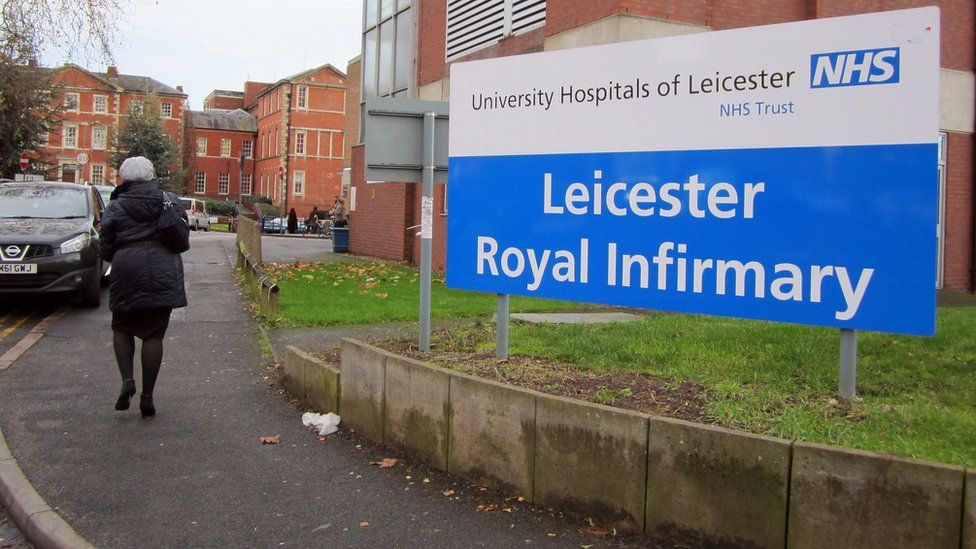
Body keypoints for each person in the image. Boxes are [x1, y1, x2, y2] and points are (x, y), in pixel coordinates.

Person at [99, 156, 188, 418]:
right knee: (153, 334)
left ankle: (127, 380)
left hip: (127, 268)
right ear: (151, 175)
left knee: (122, 326)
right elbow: (181, 234)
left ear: (125, 178)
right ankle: (147, 397)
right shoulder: (168, 199)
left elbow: (105, 246)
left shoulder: (116, 205)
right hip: (162, 268)